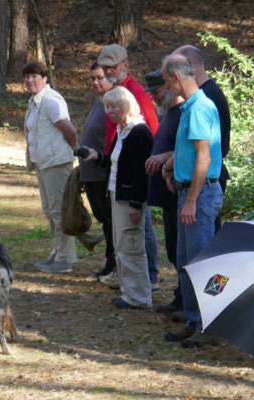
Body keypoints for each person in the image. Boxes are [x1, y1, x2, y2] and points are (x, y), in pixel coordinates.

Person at [160, 54, 223, 347]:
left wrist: (192, 200)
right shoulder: (190, 108)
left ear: (175, 78)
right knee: (187, 262)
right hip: (189, 191)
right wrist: (172, 167)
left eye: (165, 82)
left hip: (200, 195)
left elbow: (204, 156)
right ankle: (194, 319)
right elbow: (190, 152)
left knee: (203, 265)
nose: (166, 88)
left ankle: (210, 326)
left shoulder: (199, 108)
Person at [80, 86, 153, 309]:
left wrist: (135, 203)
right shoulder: (123, 130)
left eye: (114, 107)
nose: (110, 112)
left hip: (129, 199)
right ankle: (129, 293)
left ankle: (139, 297)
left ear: (126, 106)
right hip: (115, 193)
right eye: (107, 107)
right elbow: (117, 164)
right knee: (121, 245)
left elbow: (141, 174)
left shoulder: (139, 132)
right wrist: (96, 157)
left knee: (131, 246)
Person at [97, 43, 160, 290]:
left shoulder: (136, 93)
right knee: (125, 230)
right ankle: (127, 275)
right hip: (117, 167)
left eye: (113, 66)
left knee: (140, 227)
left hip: (137, 170)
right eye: (106, 67)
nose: (110, 70)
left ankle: (150, 277)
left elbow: (149, 133)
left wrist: (148, 169)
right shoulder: (113, 93)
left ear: (126, 65)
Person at [22, 61, 78, 274]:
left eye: (34, 76)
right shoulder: (35, 101)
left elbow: (69, 130)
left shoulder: (51, 101)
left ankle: (65, 258)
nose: (29, 80)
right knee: (49, 210)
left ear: (44, 78)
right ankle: (57, 251)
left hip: (56, 163)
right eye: (26, 76)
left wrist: (73, 152)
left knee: (59, 211)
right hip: (43, 163)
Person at [174, 45, 231, 233]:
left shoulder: (206, 98)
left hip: (205, 182)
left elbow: (209, 151)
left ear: (191, 66)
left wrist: (192, 199)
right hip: (200, 182)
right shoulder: (197, 99)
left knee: (204, 254)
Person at [143, 69, 184, 315]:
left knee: (183, 249)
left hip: (179, 193)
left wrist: (163, 158)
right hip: (167, 196)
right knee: (173, 248)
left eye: (157, 91)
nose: (154, 97)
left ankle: (188, 301)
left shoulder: (183, 113)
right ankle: (180, 296)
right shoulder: (168, 113)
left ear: (169, 87)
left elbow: (189, 149)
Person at [79, 62, 117, 281]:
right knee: (104, 220)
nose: (95, 82)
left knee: (111, 221)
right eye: (92, 78)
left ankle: (113, 264)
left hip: (104, 172)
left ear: (109, 77)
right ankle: (110, 262)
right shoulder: (97, 101)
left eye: (99, 78)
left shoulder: (113, 102)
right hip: (90, 170)